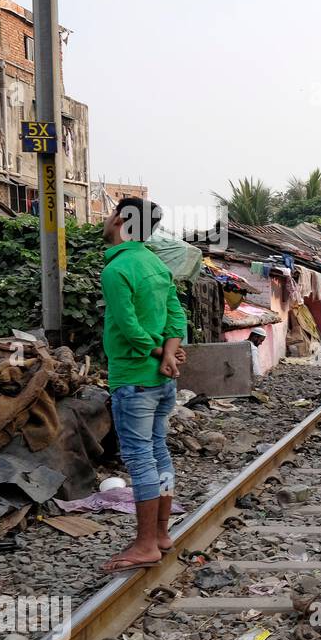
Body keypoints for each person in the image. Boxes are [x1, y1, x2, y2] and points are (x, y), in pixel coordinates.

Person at [99, 197, 188, 573]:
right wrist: (169, 353)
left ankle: (146, 544)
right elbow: (176, 316)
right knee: (158, 453)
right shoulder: (156, 264)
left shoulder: (118, 269)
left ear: (120, 220)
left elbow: (129, 328)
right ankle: (163, 534)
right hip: (161, 382)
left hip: (134, 380)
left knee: (139, 460)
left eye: (109, 214)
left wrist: (157, 355)